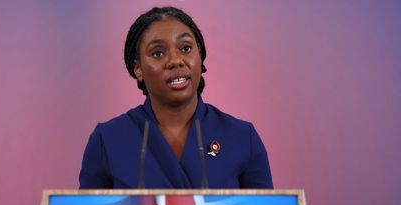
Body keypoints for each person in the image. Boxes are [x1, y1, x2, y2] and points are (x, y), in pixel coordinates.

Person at [79, 6, 273, 189]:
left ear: (200, 56)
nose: (175, 61)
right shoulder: (108, 139)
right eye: (158, 53)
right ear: (138, 68)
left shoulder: (241, 137)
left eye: (186, 49)